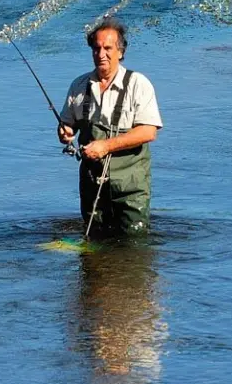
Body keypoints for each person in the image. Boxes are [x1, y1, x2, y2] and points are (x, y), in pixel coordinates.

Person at [58, 18, 162, 237]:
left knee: (135, 243)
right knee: (94, 241)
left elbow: (148, 131)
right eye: (96, 49)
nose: (101, 54)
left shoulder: (138, 84)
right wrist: (65, 132)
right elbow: (68, 125)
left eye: (108, 48)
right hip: (91, 184)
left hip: (131, 186)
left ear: (120, 52)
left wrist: (106, 146)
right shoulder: (79, 86)